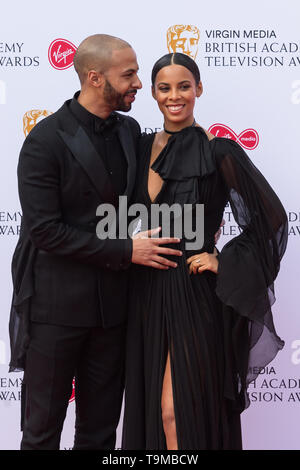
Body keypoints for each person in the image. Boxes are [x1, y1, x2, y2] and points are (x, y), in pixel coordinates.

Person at [8, 35, 183, 450]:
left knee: (101, 432)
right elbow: (44, 231)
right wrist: (126, 251)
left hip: (113, 312)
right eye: (129, 74)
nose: (139, 82)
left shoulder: (130, 130)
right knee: (41, 432)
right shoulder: (45, 140)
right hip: (56, 312)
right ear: (94, 78)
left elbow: (145, 201)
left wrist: (200, 222)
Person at [121, 52, 288, 450]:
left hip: (192, 292)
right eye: (164, 88)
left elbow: (272, 219)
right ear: (154, 93)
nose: (174, 96)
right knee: (151, 414)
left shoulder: (219, 152)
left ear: (198, 89)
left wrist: (222, 259)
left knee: (175, 409)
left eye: (183, 86)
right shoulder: (138, 148)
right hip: (143, 291)